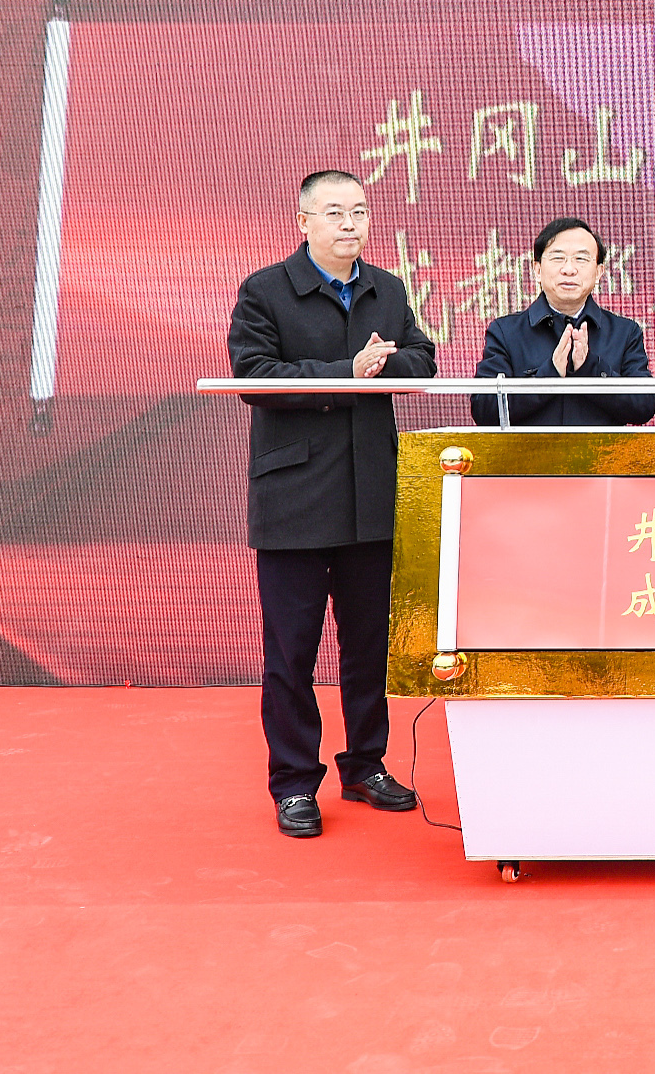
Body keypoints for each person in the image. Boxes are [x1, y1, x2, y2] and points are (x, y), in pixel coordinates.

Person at [226, 169, 437, 838]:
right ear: (304, 221)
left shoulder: (387, 289)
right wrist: (347, 371)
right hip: (294, 495)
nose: (350, 223)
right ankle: (294, 782)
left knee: (368, 644)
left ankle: (365, 764)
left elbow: (423, 358)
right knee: (291, 651)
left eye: (360, 211)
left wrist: (382, 365)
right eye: (335, 212)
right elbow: (254, 375)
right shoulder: (266, 290)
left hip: (370, 492)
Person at [469, 217, 655, 428]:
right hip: (527, 450)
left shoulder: (624, 332)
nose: (569, 269)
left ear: (599, 272)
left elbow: (644, 405)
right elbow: (484, 409)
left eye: (581, 259)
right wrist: (549, 374)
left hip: (602, 451)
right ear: (537, 269)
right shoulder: (505, 332)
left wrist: (590, 369)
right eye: (558, 258)